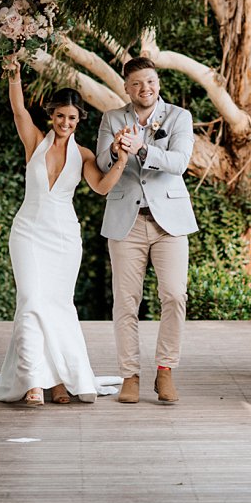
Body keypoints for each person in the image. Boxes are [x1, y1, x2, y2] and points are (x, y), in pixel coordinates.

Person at [0, 61, 127, 406]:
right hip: (28, 233)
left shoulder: (84, 155)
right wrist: (13, 72)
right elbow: (17, 108)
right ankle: (32, 381)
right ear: (52, 115)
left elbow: (102, 188)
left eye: (72, 118)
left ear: (78, 121)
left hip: (64, 240)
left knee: (56, 305)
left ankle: (58, 380)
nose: (65, 123)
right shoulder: (34, 143)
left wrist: (122, 160)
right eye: (61, 116)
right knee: (30, 302)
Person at [97, 57, 197, 405]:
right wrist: (114, 149)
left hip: (169, 222)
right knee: (125, 302)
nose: (145, 89)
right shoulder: (112, 119)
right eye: (137, 83)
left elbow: (179, 162)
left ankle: (165, 370)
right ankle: (130, 376)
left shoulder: (178, 117)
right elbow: (100, 164)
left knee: (174, 295)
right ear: (126, 87)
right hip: (126, 221)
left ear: (158, 83)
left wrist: (141, 147)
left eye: (151, 82)